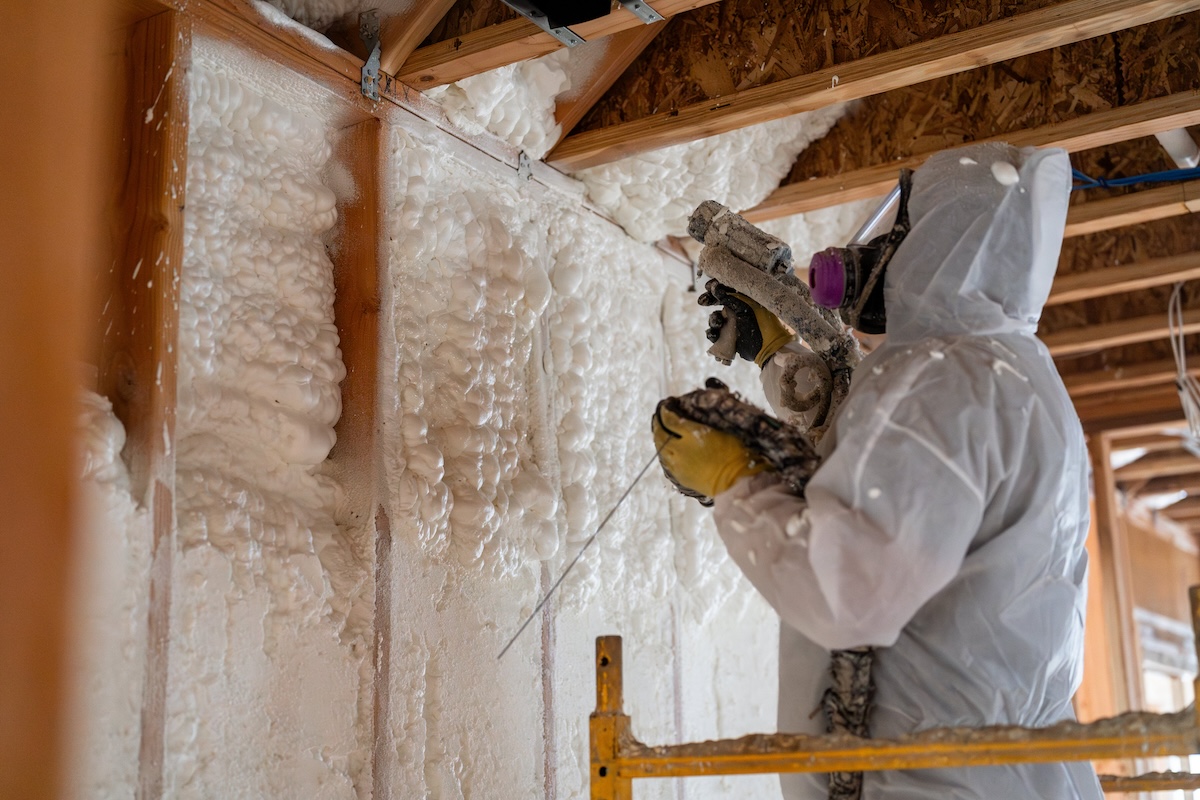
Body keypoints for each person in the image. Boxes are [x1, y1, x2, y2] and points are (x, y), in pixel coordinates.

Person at [653, 142, 1104, 799]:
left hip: (929, 781)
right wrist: (774, 351)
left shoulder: (949, 378)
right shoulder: (1008, 371)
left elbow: (847, 591)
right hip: (992, 772)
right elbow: (879, 461)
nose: (879, 252)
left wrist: (737, 485)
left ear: (945, 237)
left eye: (903, 228)